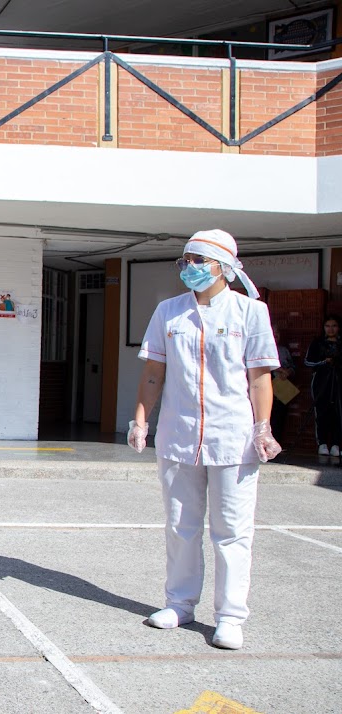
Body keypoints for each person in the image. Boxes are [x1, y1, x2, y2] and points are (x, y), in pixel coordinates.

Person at [128, 229, 281, 651]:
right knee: (181, 526)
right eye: (185, 261)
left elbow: (259, 378)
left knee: (232, 530)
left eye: (198, 261)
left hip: (232, 438)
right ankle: (179, 604)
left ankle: (231, 617)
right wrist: (141, 419)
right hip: (179, 436)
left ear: (223, 266)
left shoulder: (250, 313)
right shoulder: (168, 312)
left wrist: (263, 426)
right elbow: (154, 372)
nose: (189, 268)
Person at [304, 315, 342, 457]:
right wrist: (323, 362)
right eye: (328, 326)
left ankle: (337, 444)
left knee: (338, 413)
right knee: (321, 412)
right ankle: (322, 443)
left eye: (334, 326)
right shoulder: (317, 342)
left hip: (338, 381)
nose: (331, 329)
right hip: (321, 382)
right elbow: (308, 362)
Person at [269, 325, 296, 445]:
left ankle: (277, 442)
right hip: (267, 387)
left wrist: (288, 372)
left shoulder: (283, 350)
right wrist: (279, 370)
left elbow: (293, 367)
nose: (275, 337)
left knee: (280, 417)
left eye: (277, 335)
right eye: (273, 335)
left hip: (281, 388)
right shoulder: (262, 349)